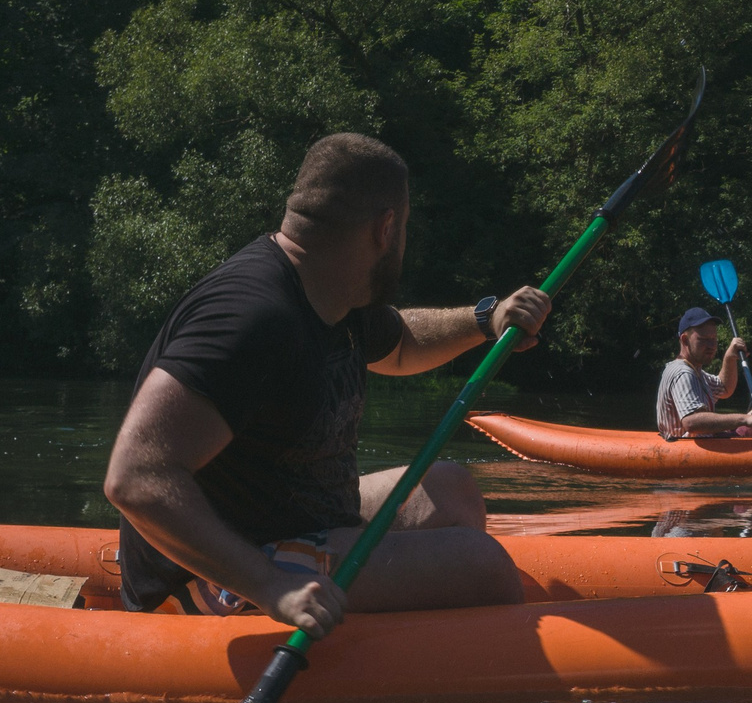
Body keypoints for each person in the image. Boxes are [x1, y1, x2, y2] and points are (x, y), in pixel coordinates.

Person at [102, 133, 552, 643]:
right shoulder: (250, 319)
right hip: (211, 582)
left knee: (450, 491)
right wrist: (271, 586)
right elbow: (135, 478)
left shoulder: (334, 290)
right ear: (386, 228)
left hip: (292, 529)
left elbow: (400, 344)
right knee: (482, 566)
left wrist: (486, 319)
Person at [656, 307, 752, 440]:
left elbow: (724, 388)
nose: (711, 346)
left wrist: (730, 358)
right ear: (685, 340)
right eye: (703, 340)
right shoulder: (683, 374)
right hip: (692, 448)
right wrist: (745, 419)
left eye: (713, 339)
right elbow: (692, 422)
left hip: (708, 441)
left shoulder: (695, 370)